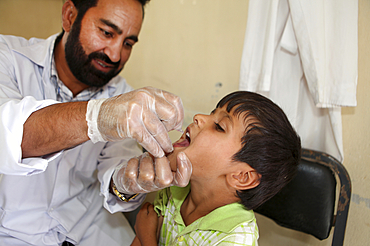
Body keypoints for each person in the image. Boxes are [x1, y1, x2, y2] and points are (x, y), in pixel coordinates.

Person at [0, 0, 192, 245]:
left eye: (128, 43)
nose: (115, 54)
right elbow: (10, 135)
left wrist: (128, 182)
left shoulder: (122, 95)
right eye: (107, 32)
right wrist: (99, 117)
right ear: (69, 16)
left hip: (87, 227)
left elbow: (116, 172)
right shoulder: (7, 57)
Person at [131, 91, 301, 246]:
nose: (198, 117)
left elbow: (144, 228)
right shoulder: (175, 190)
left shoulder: (235, 240)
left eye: (219, 126)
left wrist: (146, 236)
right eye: (212, 113)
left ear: (242, 176)